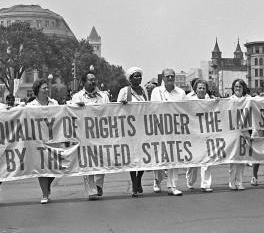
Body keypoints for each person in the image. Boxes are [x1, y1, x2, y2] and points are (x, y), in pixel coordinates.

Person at [71, 71, 110, 200]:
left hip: (100, 133)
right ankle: (91, 190)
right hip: (84, 135)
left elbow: (110, 111)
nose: (93, 82)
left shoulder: (103, 96)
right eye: (90, 80)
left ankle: (98, 185)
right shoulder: (77, 97)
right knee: (87, 162)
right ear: (84, 82)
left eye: (94, 79)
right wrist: (78, 107)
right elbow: (72, 113)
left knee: (102, 160)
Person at [151, 68, 187, 196]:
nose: (170, 78)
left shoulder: (181, 92)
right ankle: (157, 180)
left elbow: (185, 110)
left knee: (173, 157)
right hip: (160, 129)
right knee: (160, 157)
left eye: (172, 76)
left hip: (175, 130)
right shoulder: (156, 91)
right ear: (163, 78)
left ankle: (172, 185)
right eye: (167, 76)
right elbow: (153, 110)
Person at [117, 67, 148, 197]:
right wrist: (122, 104)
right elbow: (117, 108)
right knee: (132, 156)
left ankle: (139, 178)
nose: (139, 78)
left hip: (143, 128)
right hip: (130, 129)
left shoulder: (144, 91)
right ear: (130, 79)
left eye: (140, 76)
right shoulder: (125, 91)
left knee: (143, 156)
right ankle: (134, 182)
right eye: (136, 76)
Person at [27, 79, 59, 204]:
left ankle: (47, 186)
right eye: (44, 88)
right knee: (41, 168)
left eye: (47, 88)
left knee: (55, 167)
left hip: (53, 139)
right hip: (37, 141)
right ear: (37, 90)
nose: (46, 90)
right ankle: (45, 194)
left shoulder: (54, 103)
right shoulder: (30, 106)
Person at [185, 79, 214, 192]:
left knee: (207, 160)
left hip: (206, 134)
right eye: (199, 88)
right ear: (195, 90)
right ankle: (190, 180)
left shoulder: (210, 100)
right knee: (194, 161)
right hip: (193, 134)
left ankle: (205, 184)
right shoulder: (189, 100)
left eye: (203, 88)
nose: (202, 90)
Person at [229, 79, 249, 190]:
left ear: (243, 88)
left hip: (245, 131)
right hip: (233, 132)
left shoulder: (248, 99)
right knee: (233, 159)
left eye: (240, 86)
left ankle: (239, 182)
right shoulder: (229, 100)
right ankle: (232, 182)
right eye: (236, 86)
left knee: (242, 159)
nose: (238, 88)